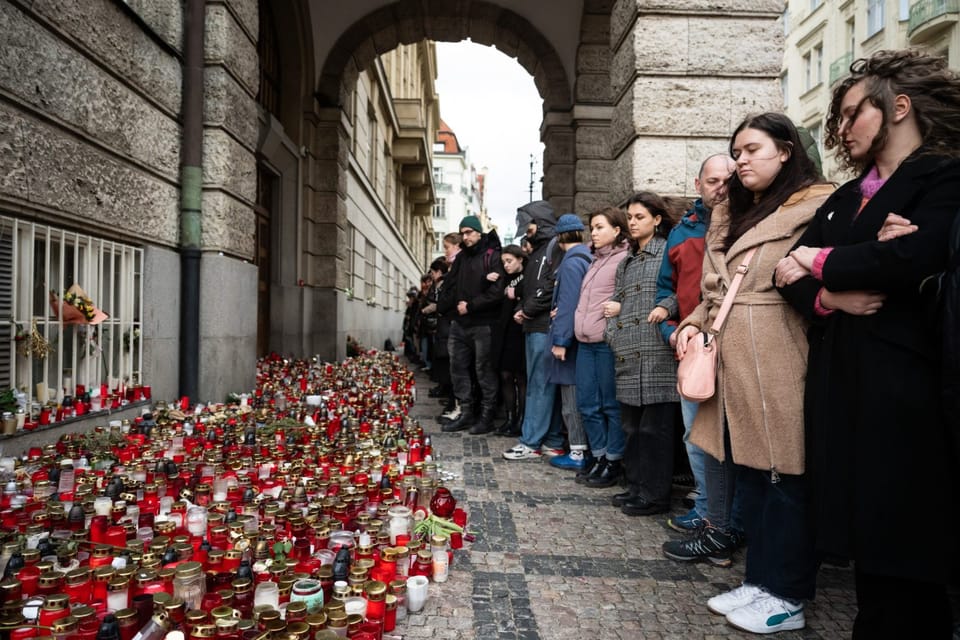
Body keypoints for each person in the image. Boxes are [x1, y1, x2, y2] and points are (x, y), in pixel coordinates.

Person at [775, 50, 960, 639]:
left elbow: (915, 257)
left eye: (853, 113)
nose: (841, 128)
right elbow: (786, 272)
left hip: (906, 390)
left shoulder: (944, 174)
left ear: (897, 107)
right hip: (845, 381)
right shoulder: (848, 195)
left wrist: (826, 260)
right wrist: (835, 294)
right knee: (865, 540)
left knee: (904, 541)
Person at [663, 112, 833, 635]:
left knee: (784, 474)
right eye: (736, 151)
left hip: (778, 349)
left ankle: (787, 592)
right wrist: (689, 324)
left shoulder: (816, 205)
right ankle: (761, 580)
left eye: (751, 149)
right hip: (731, 349)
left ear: (785, 151)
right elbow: (714, 291)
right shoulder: (733, 211)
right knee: (753, 477)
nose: (740, 160)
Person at [654, 154, 736, 532]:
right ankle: (706, 507)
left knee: (736, 437)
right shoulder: (682, 232)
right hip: (693, 348)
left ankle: (732, 518)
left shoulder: (745, 223)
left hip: (737, 344)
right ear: (698, 184)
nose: (721, 187)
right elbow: (665, 290)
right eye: (713, 180)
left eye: (728, 179)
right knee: (695, 433)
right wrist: (671, 330)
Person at [604, 192, 680, 515]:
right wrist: (612, 335)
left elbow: (681, 290)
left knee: (655, 431)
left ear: (657, 220)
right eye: (630, 218)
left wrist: (667, 306)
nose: (632, 223)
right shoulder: (626, 261)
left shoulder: (667, 251)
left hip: (657, 353)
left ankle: (656, 495)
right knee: (632, 429)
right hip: (627, 353)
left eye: (639, 217)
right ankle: (635, 486)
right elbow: (616, 303)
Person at [573, 207, 630, 487]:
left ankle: (613, 461)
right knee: (587, 403)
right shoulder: (594, 260)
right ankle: (597, 456)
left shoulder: (624, 259)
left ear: (617, 230)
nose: (593, 233)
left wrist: (618, 309)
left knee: (610, 405)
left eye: (599, 227)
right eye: (592, 227)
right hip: (585, 344)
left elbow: (629, 298)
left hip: (606, 344)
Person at [503, 201, 565, 460]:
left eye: (528, 224)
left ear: (537, 223)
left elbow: (550, 286)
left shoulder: (551, 249)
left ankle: (531, 442)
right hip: (536, 324)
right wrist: (524, 307)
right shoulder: (543, 249)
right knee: (543, 384)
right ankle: (550, 440)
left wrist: (527, 309)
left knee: (539, 384)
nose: (524, 230)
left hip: (541, 327)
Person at [437, 216, 506, 435]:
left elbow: (497, 291)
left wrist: (472, 306)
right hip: (460, 324)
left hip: (483, 324)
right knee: (457, 369)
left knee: (483, 371)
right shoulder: (462, 259)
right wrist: (445, 307)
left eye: (468, 232)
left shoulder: (492, 256)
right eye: (462, 233)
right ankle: (465, 413)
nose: (465, 237)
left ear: (478, 232)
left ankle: (486, 417)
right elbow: (450, 285)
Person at [545, 214, 593, 471]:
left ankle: (577, 451)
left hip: (570, 341)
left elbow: (567, 304)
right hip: (580, 336)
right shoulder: (585, 258)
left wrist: (561, 340)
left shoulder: (572, 263)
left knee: (571, 398)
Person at [491, 245, 527, 437]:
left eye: (509, 261)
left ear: (520, 259)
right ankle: (509, 418)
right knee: (505, 375)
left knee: (520, 377)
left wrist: (518, 292)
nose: (506, 265)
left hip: (519, 331)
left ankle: (521, 421)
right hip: (504, 331)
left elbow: (531, 294)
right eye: (503, 262)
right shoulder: (504, 278)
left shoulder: (526, 276)